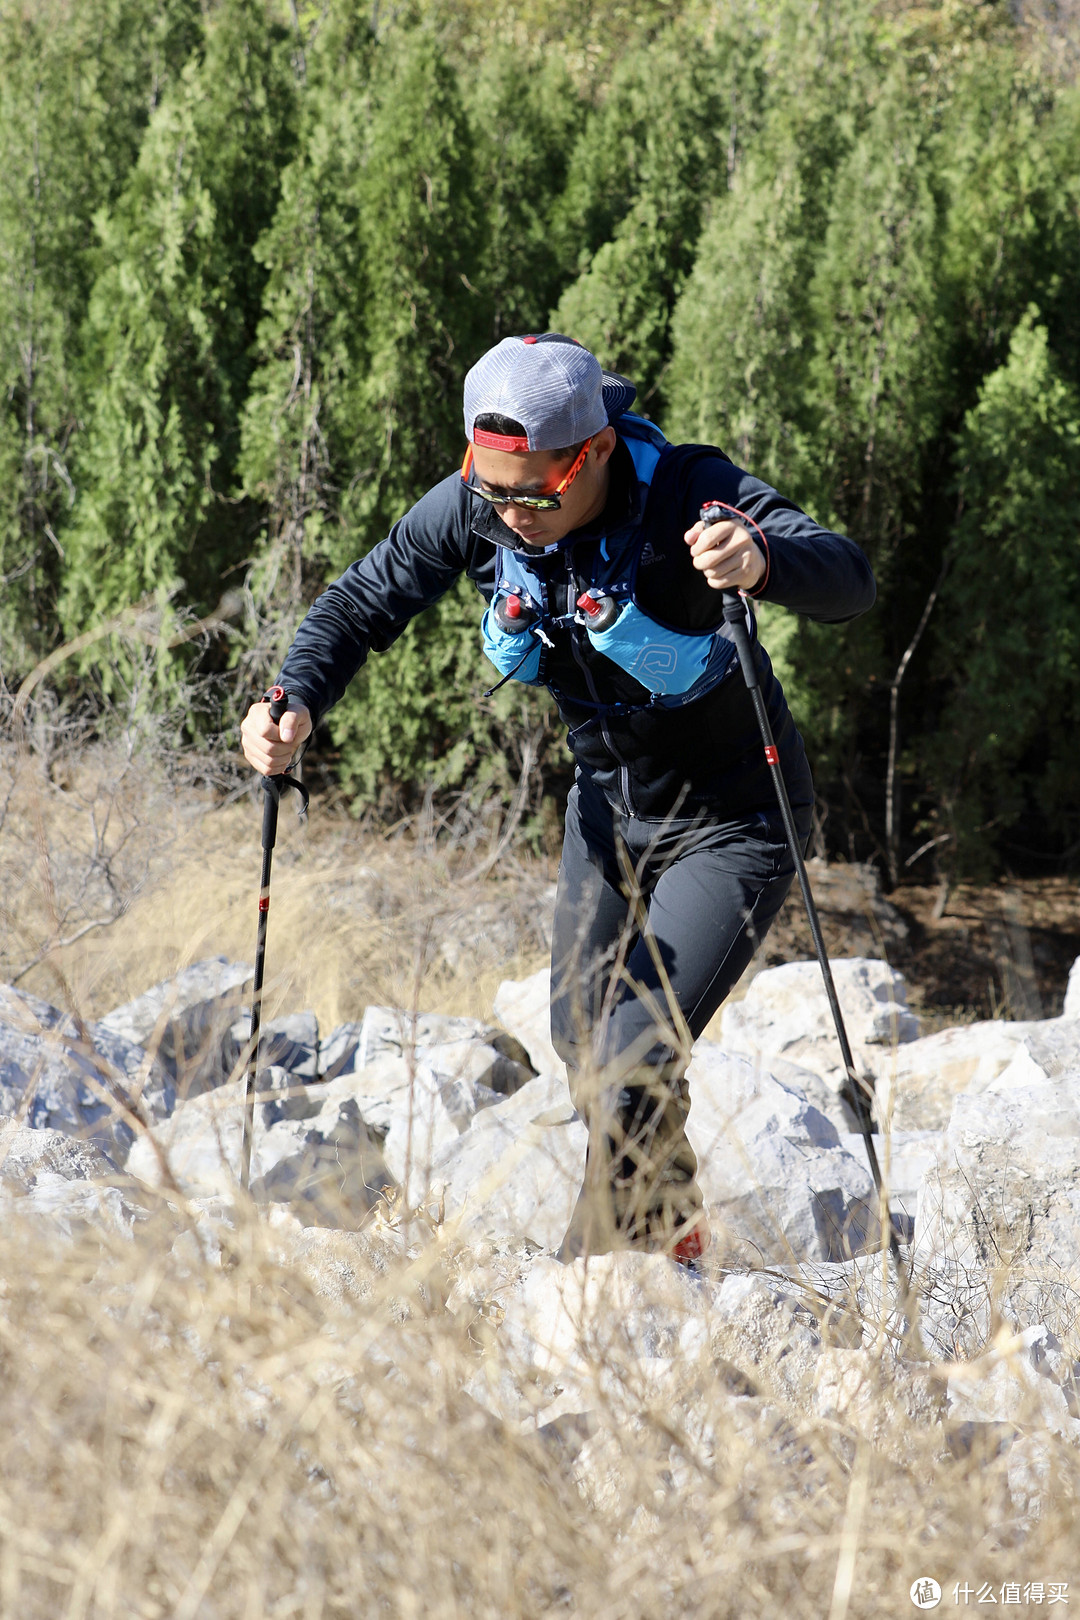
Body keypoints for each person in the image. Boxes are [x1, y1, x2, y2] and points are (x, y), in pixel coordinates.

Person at [241, 332, 875, 1266]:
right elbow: (358, 604)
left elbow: (848, 576)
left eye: (535, 492)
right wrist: (289, 700)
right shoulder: (483, 503)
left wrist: (763, 556)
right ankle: (674, 1237)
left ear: (599, 452)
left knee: (629, 1063)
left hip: (734, 821)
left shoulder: (689, 495)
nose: (513, 515)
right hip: (608, 812)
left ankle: (593, 1295)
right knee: (585, 1052)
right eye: (492, 490)